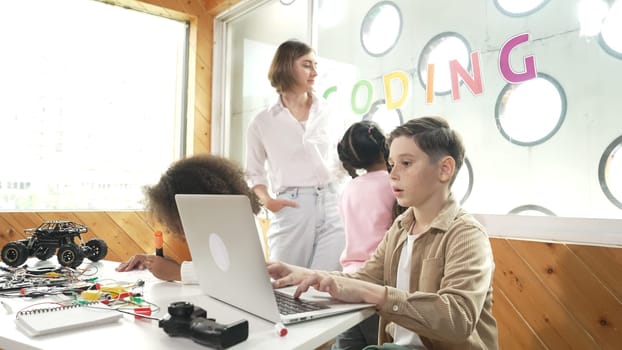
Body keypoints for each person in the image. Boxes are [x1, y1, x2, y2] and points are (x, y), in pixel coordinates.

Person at [268, 116, 498, 349]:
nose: (393, 174)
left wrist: (379, 295)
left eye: (406, 163)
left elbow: (458, 318)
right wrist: (304, 274)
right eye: (391, 164)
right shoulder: (400, 228)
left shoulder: (467, 234)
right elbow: (360, 280)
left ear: (444, 169)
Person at [245, 39, 344, 270]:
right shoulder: (262, 122)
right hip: (293, 204)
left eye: (316, 65)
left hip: (333, 203)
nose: (315, 72)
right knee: (283, 283)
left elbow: (341, 158)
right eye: (307, 65)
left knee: (327, 285)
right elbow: (254, 173)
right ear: (287, 66)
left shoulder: (329, 111)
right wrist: (268, 201)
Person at [115, 154, 261, 282]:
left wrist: (177, 272)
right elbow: (210, 266)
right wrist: (157, 263)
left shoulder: (237, 224)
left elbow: (237, 273)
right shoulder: (215, 225)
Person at [332, 120, 395, 350]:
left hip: (346, 284)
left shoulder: (348, 189)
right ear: (384, 146)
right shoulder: (394, 184)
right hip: (378, 285)